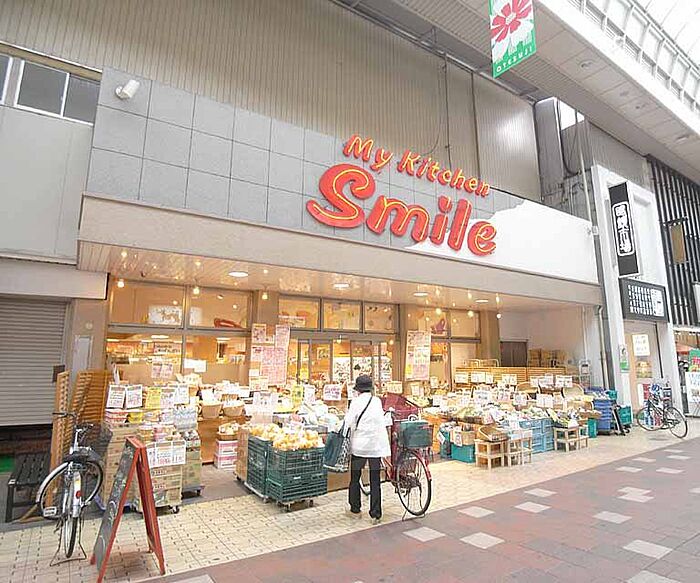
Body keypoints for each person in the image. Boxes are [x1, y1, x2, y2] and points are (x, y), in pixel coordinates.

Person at [345, 374, 390, 524]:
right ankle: (375, 514)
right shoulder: (376, 401)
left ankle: (355, 510)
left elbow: (348, 422)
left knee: (355, 477)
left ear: (358, 389)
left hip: (360, 446)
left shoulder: (355, 402)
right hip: (375, 446)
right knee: (375, 479)